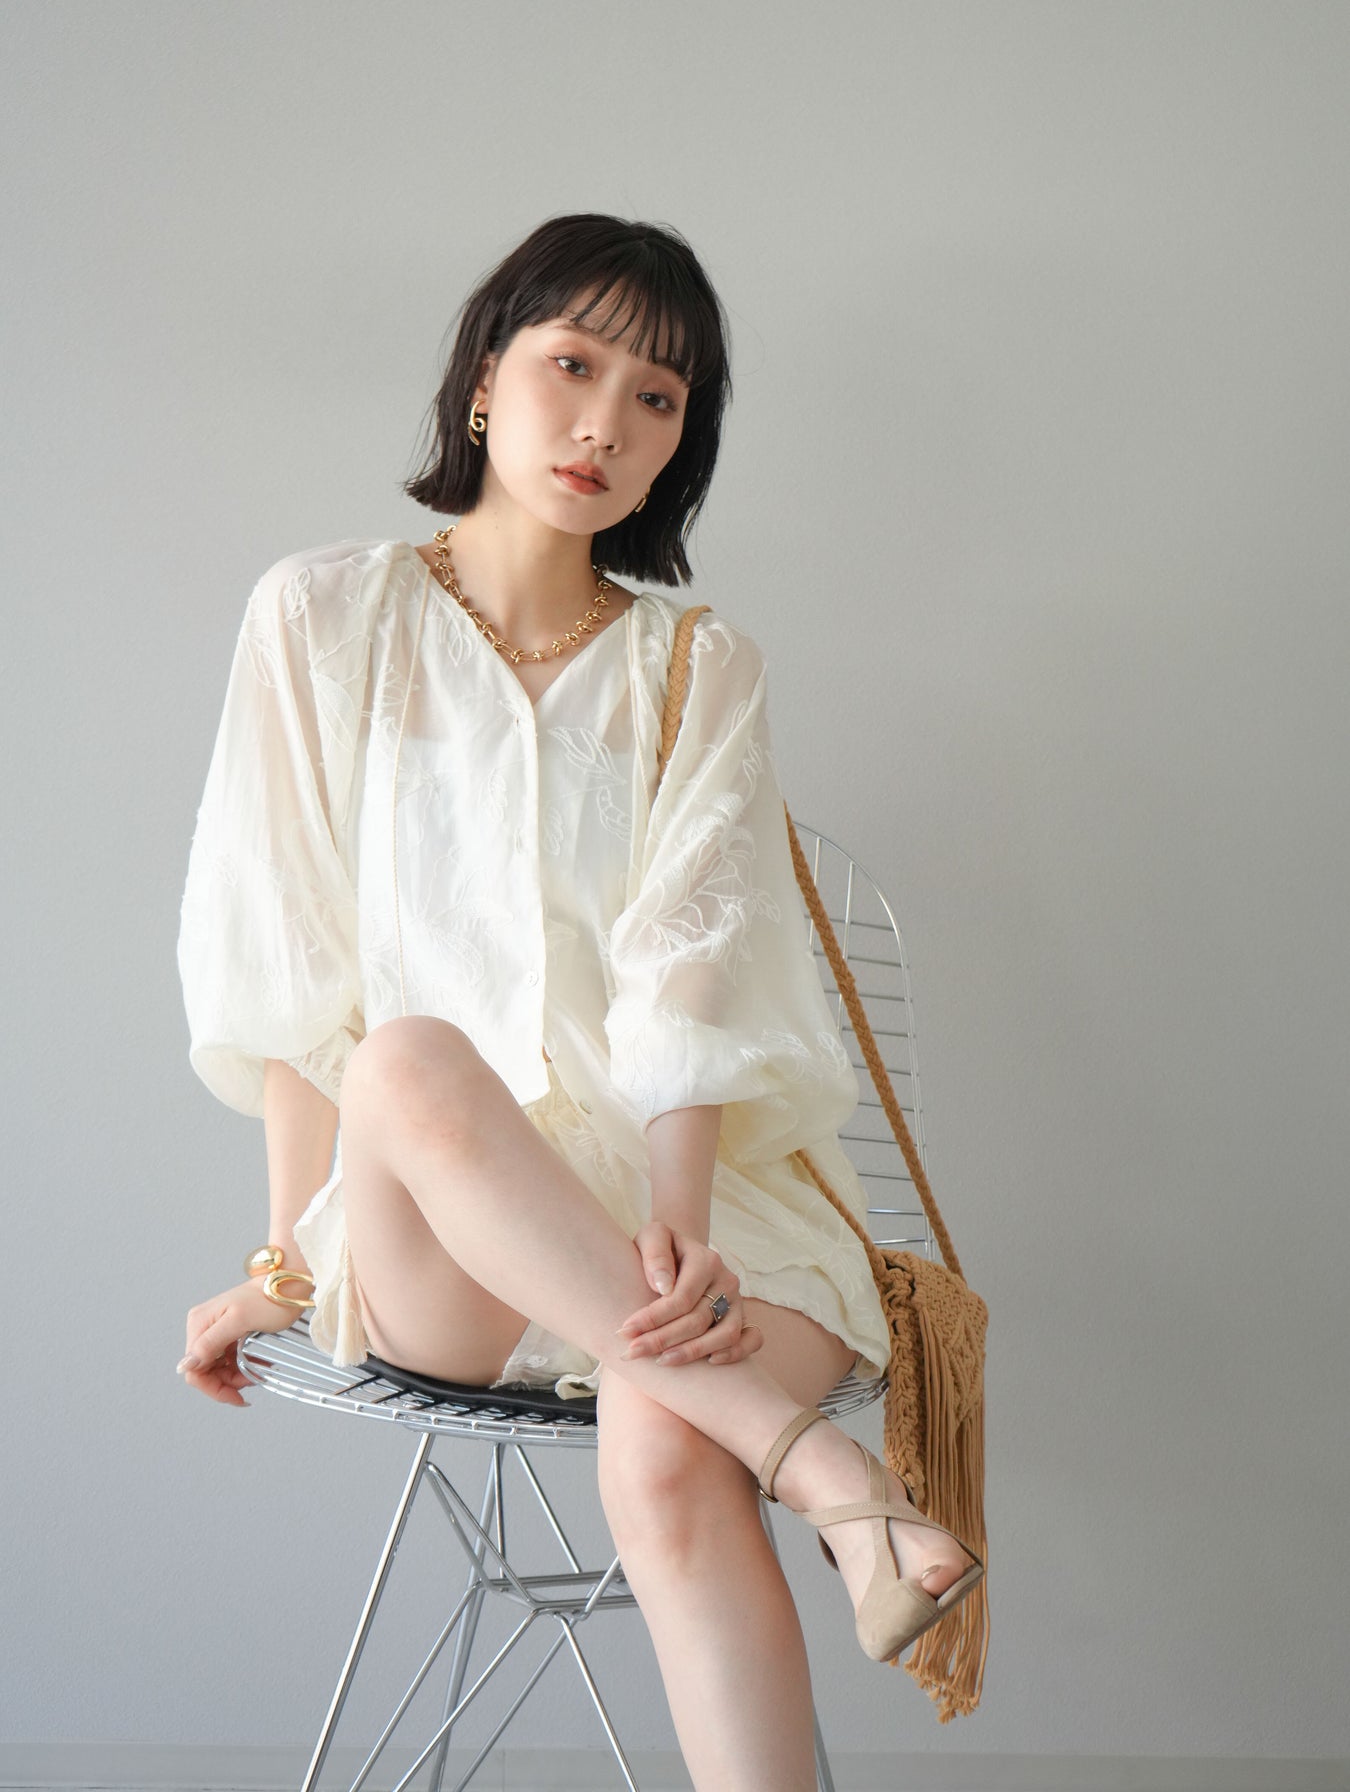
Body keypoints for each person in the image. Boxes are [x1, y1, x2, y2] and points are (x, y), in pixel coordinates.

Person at [176, 213, 983, 1792]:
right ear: (487, 378)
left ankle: (772, 1461)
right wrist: (285, 1261)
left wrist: (675, 1230)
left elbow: (699, 958)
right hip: (440, 1227)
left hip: (702, 1204)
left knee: (664, 1453)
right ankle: (831, 1477)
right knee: (410, 1053)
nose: (606, 422)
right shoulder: (323, 616)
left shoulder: (698, 662)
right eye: (572, 366)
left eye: (658, 397)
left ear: (684, 443)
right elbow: (290, 962)